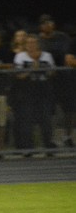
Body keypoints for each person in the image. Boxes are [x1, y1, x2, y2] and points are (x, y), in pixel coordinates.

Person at [13, 33, 55, 152]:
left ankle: (48, 145)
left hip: (43, 90)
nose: (31, 45)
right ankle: (28, 147)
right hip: (27, 91)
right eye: (29, 43)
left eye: (34, 43)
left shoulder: (47, 56)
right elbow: (18, 75)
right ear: (25, 45)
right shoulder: (20, 56)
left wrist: (43, 70)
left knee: (46, 119)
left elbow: (53, 72)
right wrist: (31, 70)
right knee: (27, 119)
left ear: (38, 44)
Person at [37, 15, 74, 147]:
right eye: (44, 23)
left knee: (68, 109)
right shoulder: (38, 40)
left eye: (49, 22)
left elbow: (68, 54)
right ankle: (50, 138)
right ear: (40, 26)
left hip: (64, 77)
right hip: (48, 79)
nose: (47, 25)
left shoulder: (63, 37)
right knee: (50, 110)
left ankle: (67, 136)